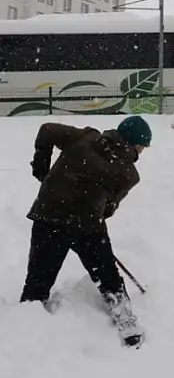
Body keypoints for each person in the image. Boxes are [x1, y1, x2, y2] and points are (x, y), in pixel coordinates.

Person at [21, 116, 152, 347]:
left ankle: (25, 330)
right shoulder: (129, 174)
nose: (142, 151)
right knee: (107, 276)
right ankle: (126, 321)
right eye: (142, 146)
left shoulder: (85, 136)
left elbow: (47, 130)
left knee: (37, 283)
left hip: (48, 215)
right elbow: (109, 209)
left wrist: (42, 167)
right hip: (87, 225)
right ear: (134, 144)